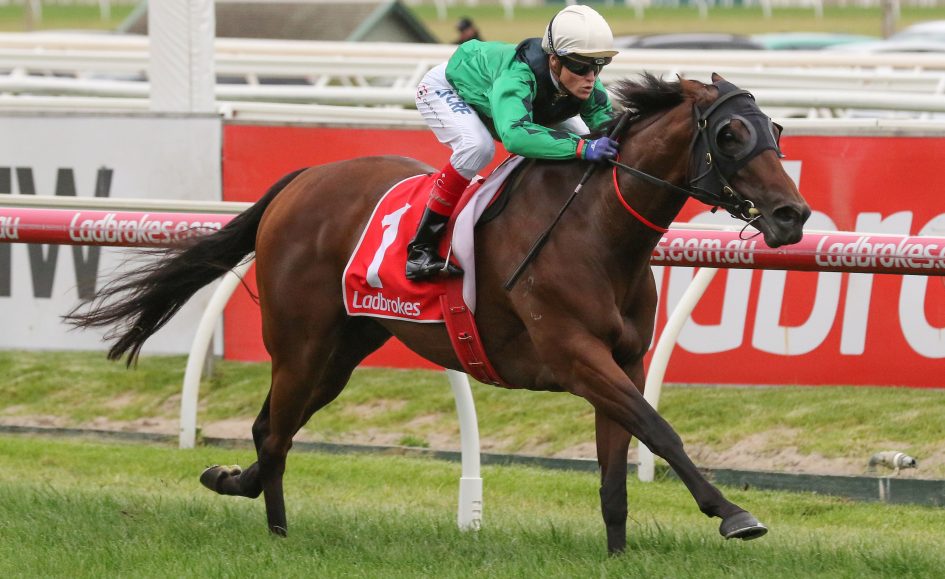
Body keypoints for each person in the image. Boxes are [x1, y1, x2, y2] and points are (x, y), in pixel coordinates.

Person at [407, 5, 621, 281]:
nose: (590, 77)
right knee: (478, 147)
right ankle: (420, 249)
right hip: (448, 89)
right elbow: (515, 135)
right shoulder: (517, 76)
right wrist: (581, 148)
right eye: (580, 66)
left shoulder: (586, 82)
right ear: (554, 60)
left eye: (599, 65)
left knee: (584, 138)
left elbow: (608, 131)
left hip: (515, 102)